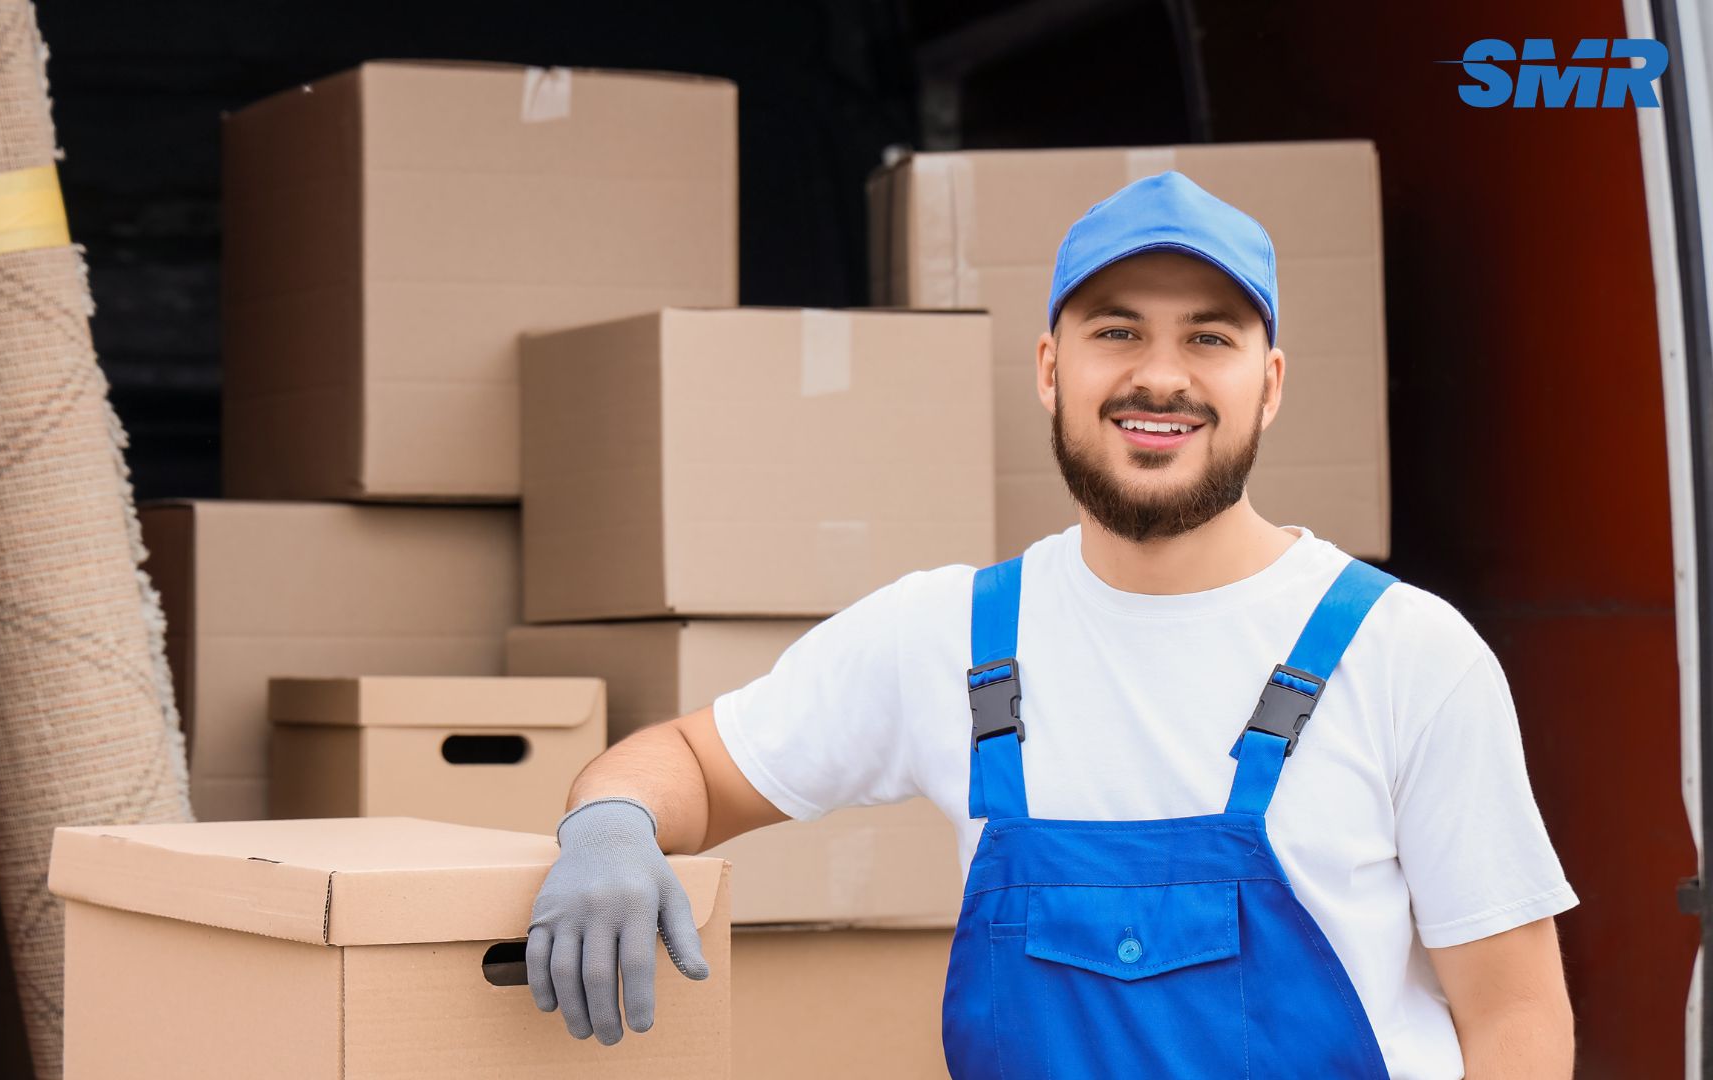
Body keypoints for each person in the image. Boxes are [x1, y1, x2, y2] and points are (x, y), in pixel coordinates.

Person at [524, 170, 1577, 1079]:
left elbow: (1516, 1017)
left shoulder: (1409, 655)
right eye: (1116, 330)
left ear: (1270, 384)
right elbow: (691, 768)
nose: (1159, 374)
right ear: (1048, 368)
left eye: (1209, 337)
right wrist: (610, 825)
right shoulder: (951, 635)